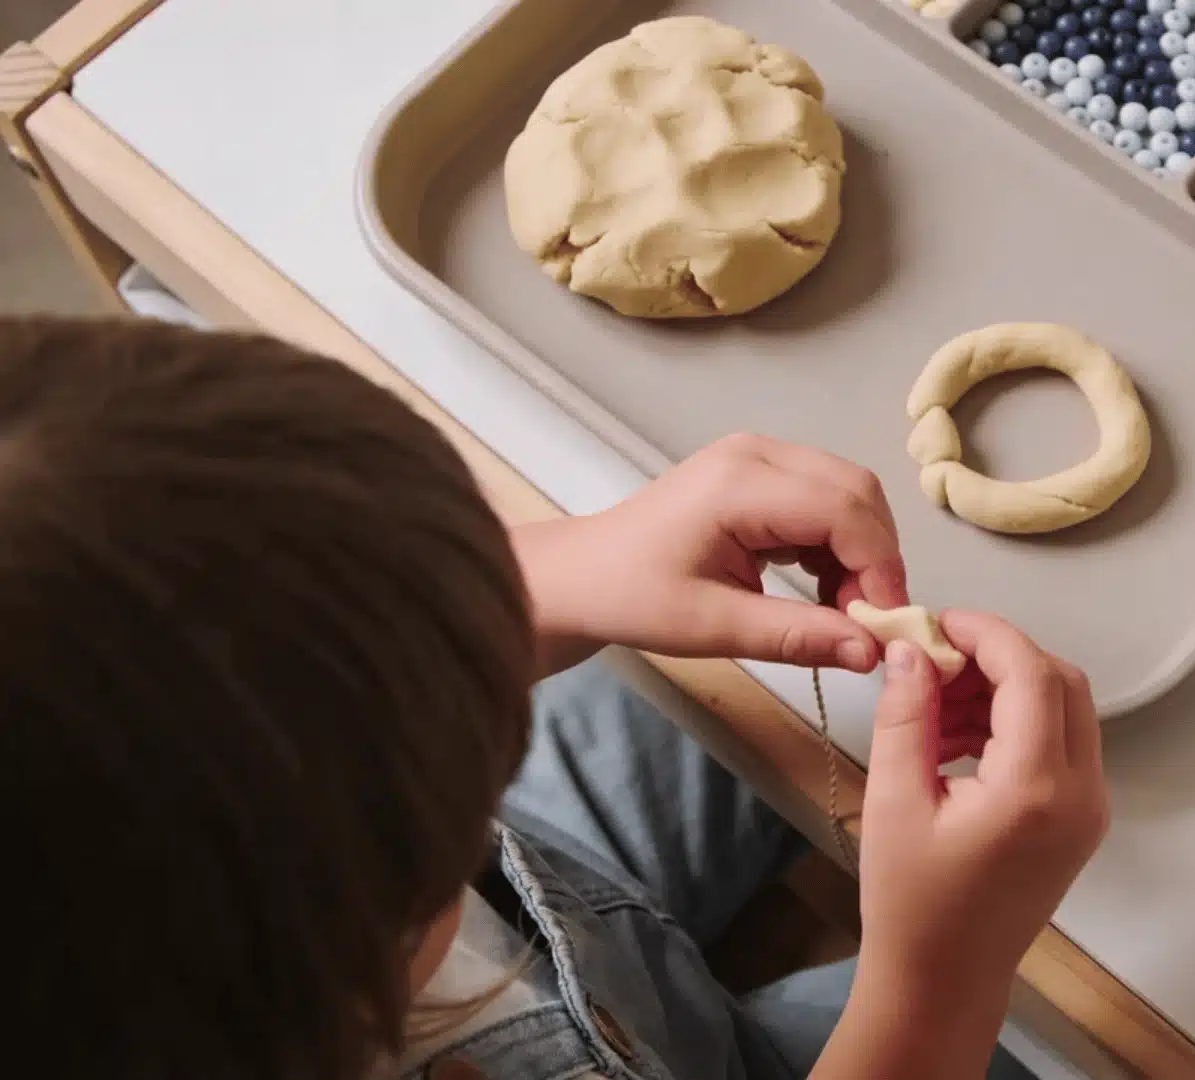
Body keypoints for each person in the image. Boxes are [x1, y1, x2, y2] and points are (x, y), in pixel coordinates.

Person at [2, 317, 1110, 1080]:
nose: (497, 711)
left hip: (574, 934)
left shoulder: (163, 872)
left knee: (687, 700)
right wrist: (931, 987)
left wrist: (553, 578)